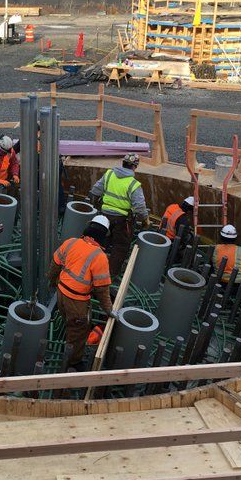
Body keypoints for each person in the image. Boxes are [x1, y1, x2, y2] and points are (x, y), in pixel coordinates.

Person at [48, 215, 114, 371]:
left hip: (61, 294)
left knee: (70, 321)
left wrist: (53, 281)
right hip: (77, 302)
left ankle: (69, 340)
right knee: (79, 331)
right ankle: (73, 361)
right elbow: (102, 290)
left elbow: (55, 265)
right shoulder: (100, 257)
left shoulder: (71, 242)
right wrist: (109, 310)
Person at [89, 153, 149, 277]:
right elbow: (140, 207)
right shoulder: (133, 184)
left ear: (123, 163)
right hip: (121, 220)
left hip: (104, 216)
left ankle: (93, 268)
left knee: (100, 241)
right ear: (135, 166)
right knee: (120, 246)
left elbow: (95, 191)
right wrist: (145, 220)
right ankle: (109, 275)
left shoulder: (109, 174)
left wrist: (96, 206)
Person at [212, 224, 241, 292]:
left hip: (219, 285)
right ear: (235, 238)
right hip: (239, 287)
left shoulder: (216, 249)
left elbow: (211, 268)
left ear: (221, 237)